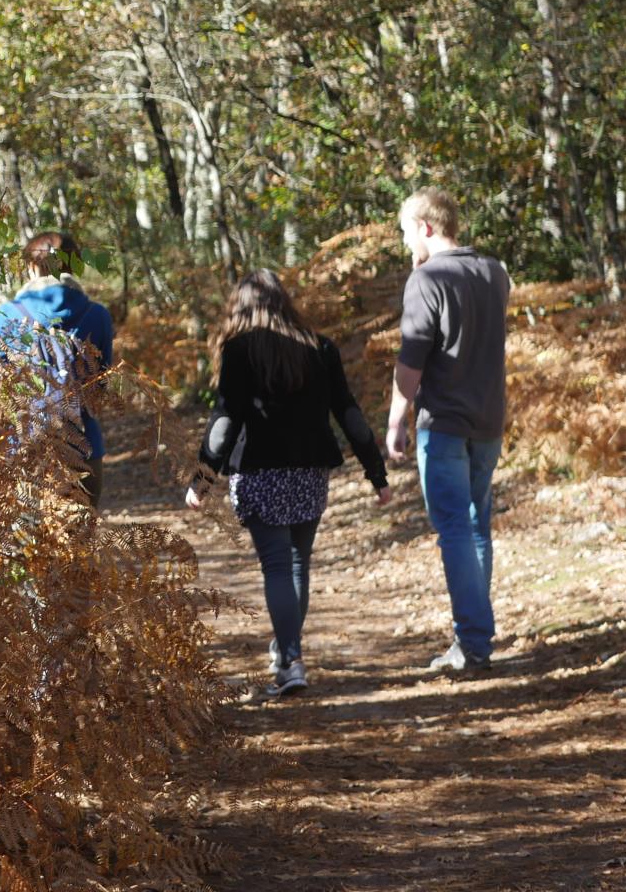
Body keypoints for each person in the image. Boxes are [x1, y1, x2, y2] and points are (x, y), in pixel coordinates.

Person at [186, 270, 391, 696]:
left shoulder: (240, 350)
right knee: (298, 564)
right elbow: (348, 412)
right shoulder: (320, 348)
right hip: (309, 475)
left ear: (240, 306)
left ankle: (291, 661)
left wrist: (202, 480)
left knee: (278, 566)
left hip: (260, 474)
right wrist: (376, 473)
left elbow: (225, 421)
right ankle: (286, 651)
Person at [385, 187, 511, 674]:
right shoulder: (495, 272)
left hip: (444, 424)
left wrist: (397, 419)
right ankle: (477, 634)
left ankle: (473, 642)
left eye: (405, 231)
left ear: (426, 228)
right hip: (489, 420)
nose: (404, 242)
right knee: (477, 525)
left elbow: (411, 359)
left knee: (455, 529)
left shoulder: (427, 279)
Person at [0, 231, 114, 504]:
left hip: (25, 451)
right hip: (85, 447)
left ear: (32, 267)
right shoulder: (97, 315)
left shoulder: (6, 317)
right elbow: (101, 385)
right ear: (75, 265)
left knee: (28, 543)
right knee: (80, 540)